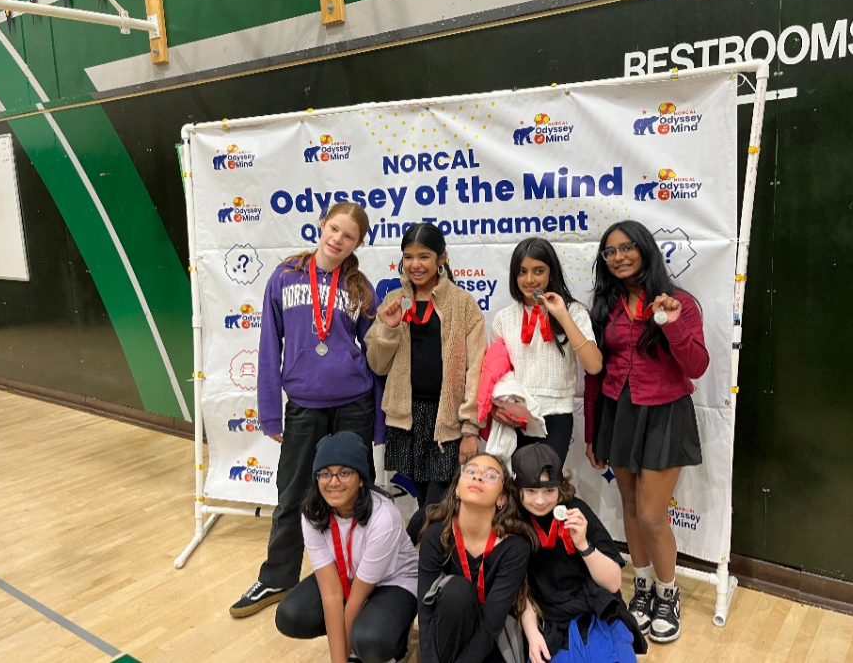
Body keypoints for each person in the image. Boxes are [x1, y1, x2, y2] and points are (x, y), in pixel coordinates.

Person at [230, 202, 383, 618]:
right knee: (293, 493)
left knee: (357, 495)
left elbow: (377, 357)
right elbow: (268, 346)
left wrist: (380, 422)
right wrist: (269, 411)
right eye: (334, 229)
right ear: (321, 226)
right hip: (304, 405)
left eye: (349, 236)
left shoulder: (360, 288)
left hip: (354, 404)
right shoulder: (285, 277)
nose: (338, 239)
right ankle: (277, 577)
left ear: (357, 244)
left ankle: (362, 578)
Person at [587, 220, 709, 644]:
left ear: (644, 249)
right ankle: (641, 587)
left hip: (664, 412)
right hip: (617, 411)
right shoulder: (605, 305)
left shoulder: (679, 302)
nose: (618, 257)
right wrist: (592, 430)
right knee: (630, 505)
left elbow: (696, 366)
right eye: (610, 251)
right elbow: (594, 373)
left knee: (653, 514)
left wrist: (672, 323)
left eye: (627, 248)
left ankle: (667, 593)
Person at [366, 223, 487, 539]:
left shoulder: (462, 303)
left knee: (437, 506)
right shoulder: (394, 300)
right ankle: (430, 563)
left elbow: (477, 369)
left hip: (448, 421)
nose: (415, 264)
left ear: (441, 259)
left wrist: (471, 428)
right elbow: (377, 364)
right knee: (426, 505)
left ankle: (400, 550)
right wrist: (389, 328)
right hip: (407, 419)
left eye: (424, 256)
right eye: (408, 257)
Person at [274, 432, 418, 663]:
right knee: (291, 615)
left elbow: (356, 599)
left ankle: (395, 641)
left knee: (371, 640)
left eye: (344, 473)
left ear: (361, 479)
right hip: (346, 577)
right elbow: (331, 594)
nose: (333, 482)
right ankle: (356, 638)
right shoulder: (312, 513)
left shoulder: (384, 517)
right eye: (325, 473)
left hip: (392, 581)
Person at [512, 444, 646, 663]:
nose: (540, 500)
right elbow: (521, 589)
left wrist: (584, 545)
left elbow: (613, 583)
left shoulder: (576, 511)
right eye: (531, 491)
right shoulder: (514, 522)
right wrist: (532, 634)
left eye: (549, 491)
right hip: (551, 622)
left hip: (598, 611)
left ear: (560, 486)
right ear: (517, 489)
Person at [490, 237, 603, 465]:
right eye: (522, 271)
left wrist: (562, 315)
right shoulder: (503, 318)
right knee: (514, 483)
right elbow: (497, 373)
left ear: (551, 273)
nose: (529, 279)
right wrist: (495, 408)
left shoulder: (574, 312)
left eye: (538, 270)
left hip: (556, 416)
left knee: (545, 482)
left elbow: (594, 365)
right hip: (515, 416)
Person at [417, 453, 533, 663]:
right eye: (470, 471)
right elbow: (425, 613)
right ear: (457, 489)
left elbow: (490, 625)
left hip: (489, 640)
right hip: (446, 631)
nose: (478, 477)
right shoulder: (436, 536)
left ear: (502, 499)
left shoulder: (515, 548)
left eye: (490, 475)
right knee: (457, 591)